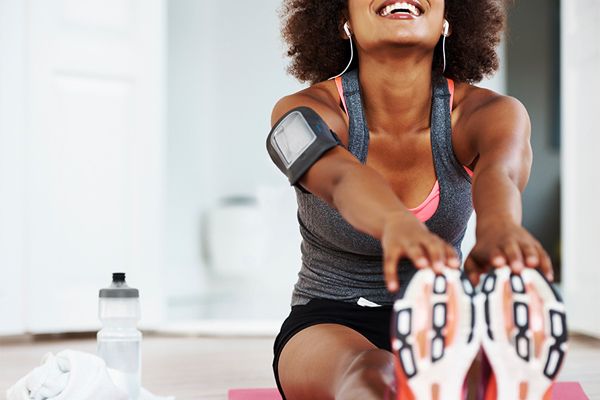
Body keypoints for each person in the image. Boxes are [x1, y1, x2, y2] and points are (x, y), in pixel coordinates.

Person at [266, 0, 555, 398]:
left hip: (443, 312)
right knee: (373, 375)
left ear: (449, 19)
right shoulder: (301, 113)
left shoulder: (490, 113)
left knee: (475, 384)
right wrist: (395, 222)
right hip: (328, 319)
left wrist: (500, 228)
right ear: (343, 19)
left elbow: (500, 175)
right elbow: (339, 178)